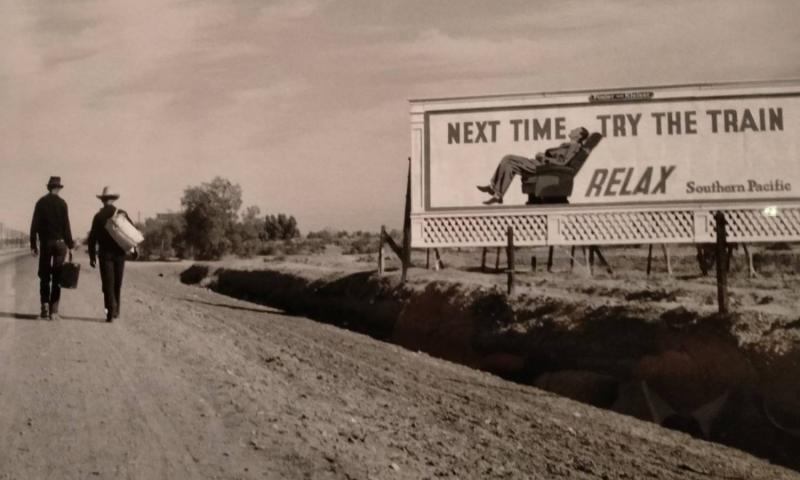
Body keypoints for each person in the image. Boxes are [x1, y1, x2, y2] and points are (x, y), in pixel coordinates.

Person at [477, 127, 589, 205]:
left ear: (579, 135)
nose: (572, 130)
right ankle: (497, 195)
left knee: (508, 158)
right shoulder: (570, 145)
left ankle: (493, 189)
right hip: (541, 165)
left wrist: (544, 158)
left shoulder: (574, 146)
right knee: (510, 166)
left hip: (542, 167)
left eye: (576, 129)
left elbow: (563, 162)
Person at [88, 186, 137, 322]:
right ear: (113, 199)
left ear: (102, 200)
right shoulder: (121, 213)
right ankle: (116, 310)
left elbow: (92, 238)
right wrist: (134, 250)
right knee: (117, 283)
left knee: (107, 284)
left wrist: (92, 257)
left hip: (105, 254)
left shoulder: (98, 216)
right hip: (120, 253)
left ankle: (109, 312)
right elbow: (132, 233)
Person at [30, 176, 75, 320]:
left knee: (44, 275)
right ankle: (54, 312)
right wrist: (71, 245)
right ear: (59, 188)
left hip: (46, 243)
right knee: (57, 276)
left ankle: (44, 308)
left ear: (49, 187)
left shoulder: (41, 203)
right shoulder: (63, 204)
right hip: (60, 244)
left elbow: (34, 226)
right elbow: (66, 226)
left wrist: (33, 244)